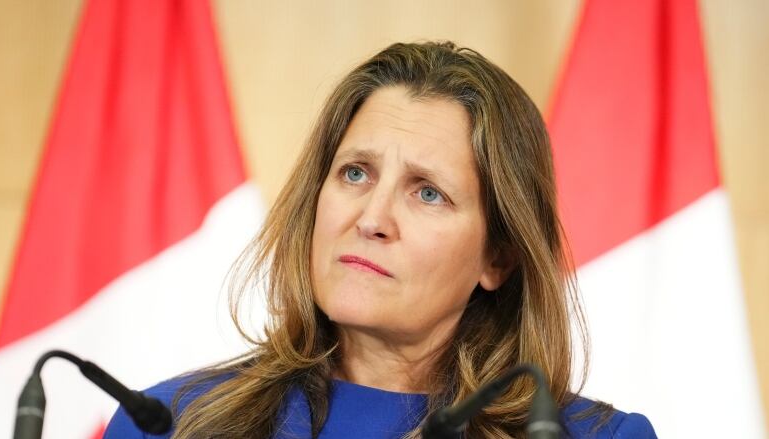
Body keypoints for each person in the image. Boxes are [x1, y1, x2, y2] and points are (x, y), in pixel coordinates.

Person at [105, 41, 656, 438]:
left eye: (428, 193)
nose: (372, 218)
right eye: (355, 173)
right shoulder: (167, 422)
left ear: (500, 256)